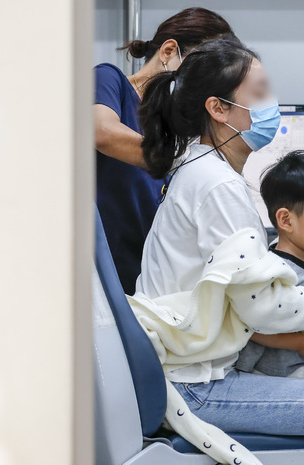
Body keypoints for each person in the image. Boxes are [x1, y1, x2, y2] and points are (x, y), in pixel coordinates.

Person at [131, 38, 304, 465]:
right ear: (219, 108)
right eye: (260, 93)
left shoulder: (199, 169)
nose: (272, 105)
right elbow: (266, 311)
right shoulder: (218, 186)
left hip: (185, 369)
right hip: (196, 384)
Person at [94, 7, 233, 294]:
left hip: (149, 280)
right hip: (101, 274)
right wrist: (180, 162)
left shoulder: (179, 126)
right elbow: (102, 132)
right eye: (199, 73)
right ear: (169, 51)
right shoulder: (110, 81)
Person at [236, 150, 304, 380]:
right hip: (265, 377)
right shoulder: (274, 271)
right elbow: (252, 326)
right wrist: (300, 343)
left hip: (295, 371)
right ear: (286, 220)